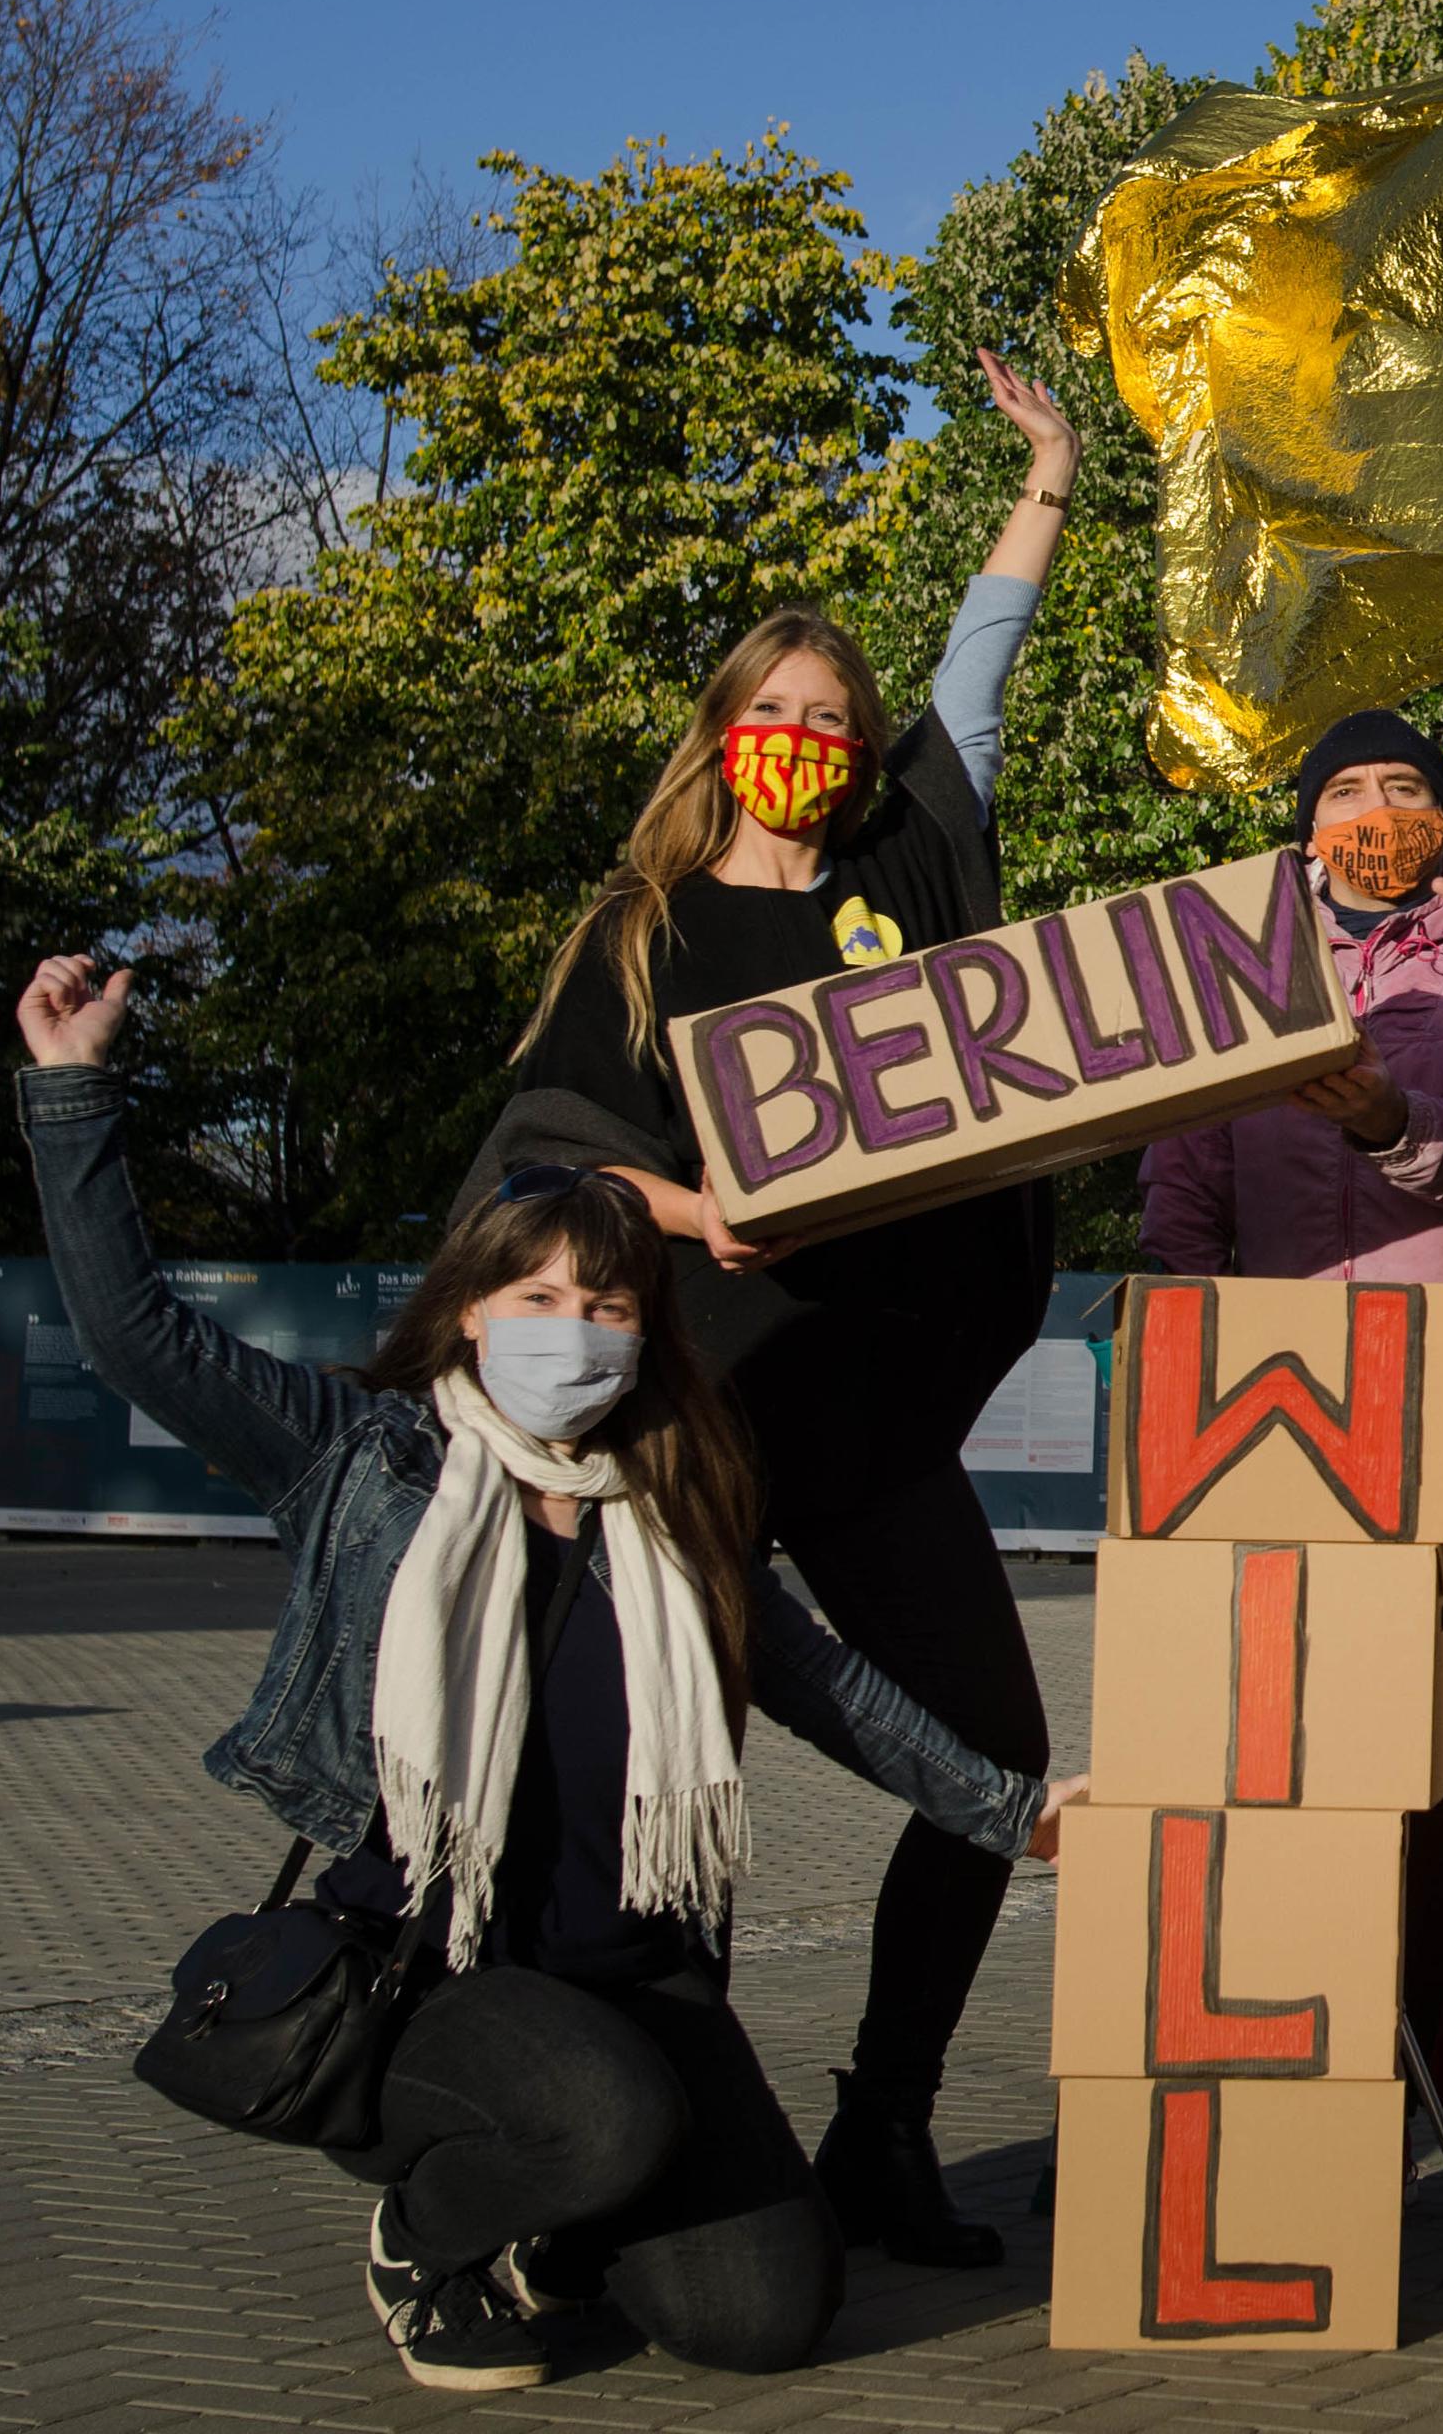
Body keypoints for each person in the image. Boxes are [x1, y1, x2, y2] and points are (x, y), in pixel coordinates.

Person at [10, 954, 1077, 2393]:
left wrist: (1017, 1808)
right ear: (469, 1308)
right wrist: (73, 1092)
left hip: (647, 1978)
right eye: (541, 1294)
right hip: (440, 1970)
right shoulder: (367, 1463)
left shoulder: (678, 1503)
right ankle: (433, 2228)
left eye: (612, 1307)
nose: (573, 1329)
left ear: (650, 1338)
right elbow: (135, 1333)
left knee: (763, 2317)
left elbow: (828, 1687)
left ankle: (570, 2205)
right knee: (606, 2118)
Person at [465, 351, 1081, 2267]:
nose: (807, 734)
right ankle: (656, 2132)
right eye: (778, 710)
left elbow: (979, 670)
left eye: (836, 713)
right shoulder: (642, 933)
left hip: (883, 1425)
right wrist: (686, 1201)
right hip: (698, 1431)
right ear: (724, 731)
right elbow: (533, 1158)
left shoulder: (904, 862)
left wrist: (1049, 476)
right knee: (677, 1780)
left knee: (987, 1760)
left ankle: (885, 2118)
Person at [1137, 706, 1443, 2099]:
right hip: (1268, 1419)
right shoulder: (1234, 967)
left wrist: (1390, 1126)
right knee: (1281, 1746)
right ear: (1306, 825)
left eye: (1405, 787)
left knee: (1435, 1765)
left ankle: (1425, 2052)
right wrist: (1186, 1349)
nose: (1375, 810)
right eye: (1346, 789)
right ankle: (1286, 2051)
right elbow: (1186, 1188)